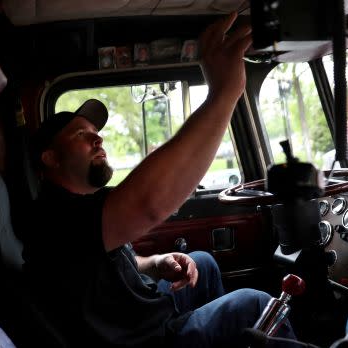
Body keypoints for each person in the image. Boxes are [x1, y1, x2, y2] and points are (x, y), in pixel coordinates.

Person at [22, 12, 296, 347]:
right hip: (143, 338)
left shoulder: (86, 210)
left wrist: (157, 263)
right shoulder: (54, 217)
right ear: (49, 158)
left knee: (203, 265)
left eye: (97, 133)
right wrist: (224, 93)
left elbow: (116, 260)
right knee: (253, 305)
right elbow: (149, 204)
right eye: (81, 134)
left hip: (137, 311)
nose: (99, 140)